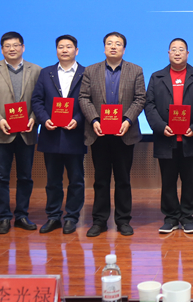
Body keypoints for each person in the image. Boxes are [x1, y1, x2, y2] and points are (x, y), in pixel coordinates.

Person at [79, 32, 146, 237]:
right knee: (101, 180)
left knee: (123, 179)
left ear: (124, 49)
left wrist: (127, 120)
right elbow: (84, 98)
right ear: (104, 48)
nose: (113, 46)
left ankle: (123, 221)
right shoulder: (91, 70)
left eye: (118, 44)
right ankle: (99, 221)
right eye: (109, 43)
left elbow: (140, 98)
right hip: (98, 133)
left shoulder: (136, 70)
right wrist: (94, 120)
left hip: (124, 133)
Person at [144, 38, 193, 234]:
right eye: (173, 49)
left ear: (187, 54)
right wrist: (160, 126)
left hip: (191, 137)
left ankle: (188, 217)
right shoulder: (157, 77)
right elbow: (149, 105)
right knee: (168, 180)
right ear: (168, 53)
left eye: (181, 49)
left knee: (190, 180)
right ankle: (171, 218)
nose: (177, 52)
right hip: (166, 137)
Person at [0, 31, 42, 234]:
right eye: (7, 46)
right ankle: (4, 217)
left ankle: (22, 215)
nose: (12, 49)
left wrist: (34, 118)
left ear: (23, 47)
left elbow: (41, 99)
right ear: (2, 49)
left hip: (26, 132)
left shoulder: (37, 70)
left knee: (25, 177)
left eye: (16, 45)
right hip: (2, 132)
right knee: (1, 177)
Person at [30, 35, 86, 235]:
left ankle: (72, 217)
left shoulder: (85, 73)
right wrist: (44, 119)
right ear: (56, 51)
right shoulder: (46, 73)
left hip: (75, 134)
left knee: (76, 179)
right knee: (53, 180)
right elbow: (37, 100)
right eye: (61, 47)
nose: (64, 50)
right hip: (51, 134)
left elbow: (89, 101)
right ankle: (53, 216)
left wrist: (78, 119)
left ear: (76, 51)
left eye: (68, 47)